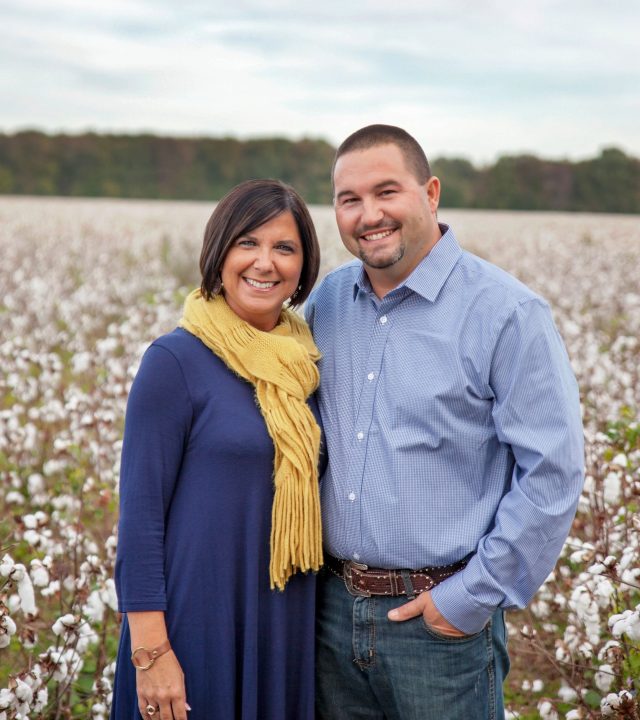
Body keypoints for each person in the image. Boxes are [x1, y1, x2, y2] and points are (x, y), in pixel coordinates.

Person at [304, 125, 584, 720]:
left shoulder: (506, 312)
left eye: (387, 192)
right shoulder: (325, 304)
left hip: (439, 627)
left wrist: (469, 598)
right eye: (348, 199)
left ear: (430, 193)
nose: (368, 214)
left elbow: (552, 473)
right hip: (328, 616)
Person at [111, 179, 323, 720]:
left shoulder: (308, 367)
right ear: (219, 252)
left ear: (304, 267)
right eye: (247, 243)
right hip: (194, 622)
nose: (265, 263)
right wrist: (152, 652)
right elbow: (140, 518)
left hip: (283, 619)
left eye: (285, 248)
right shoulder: (175, 361)